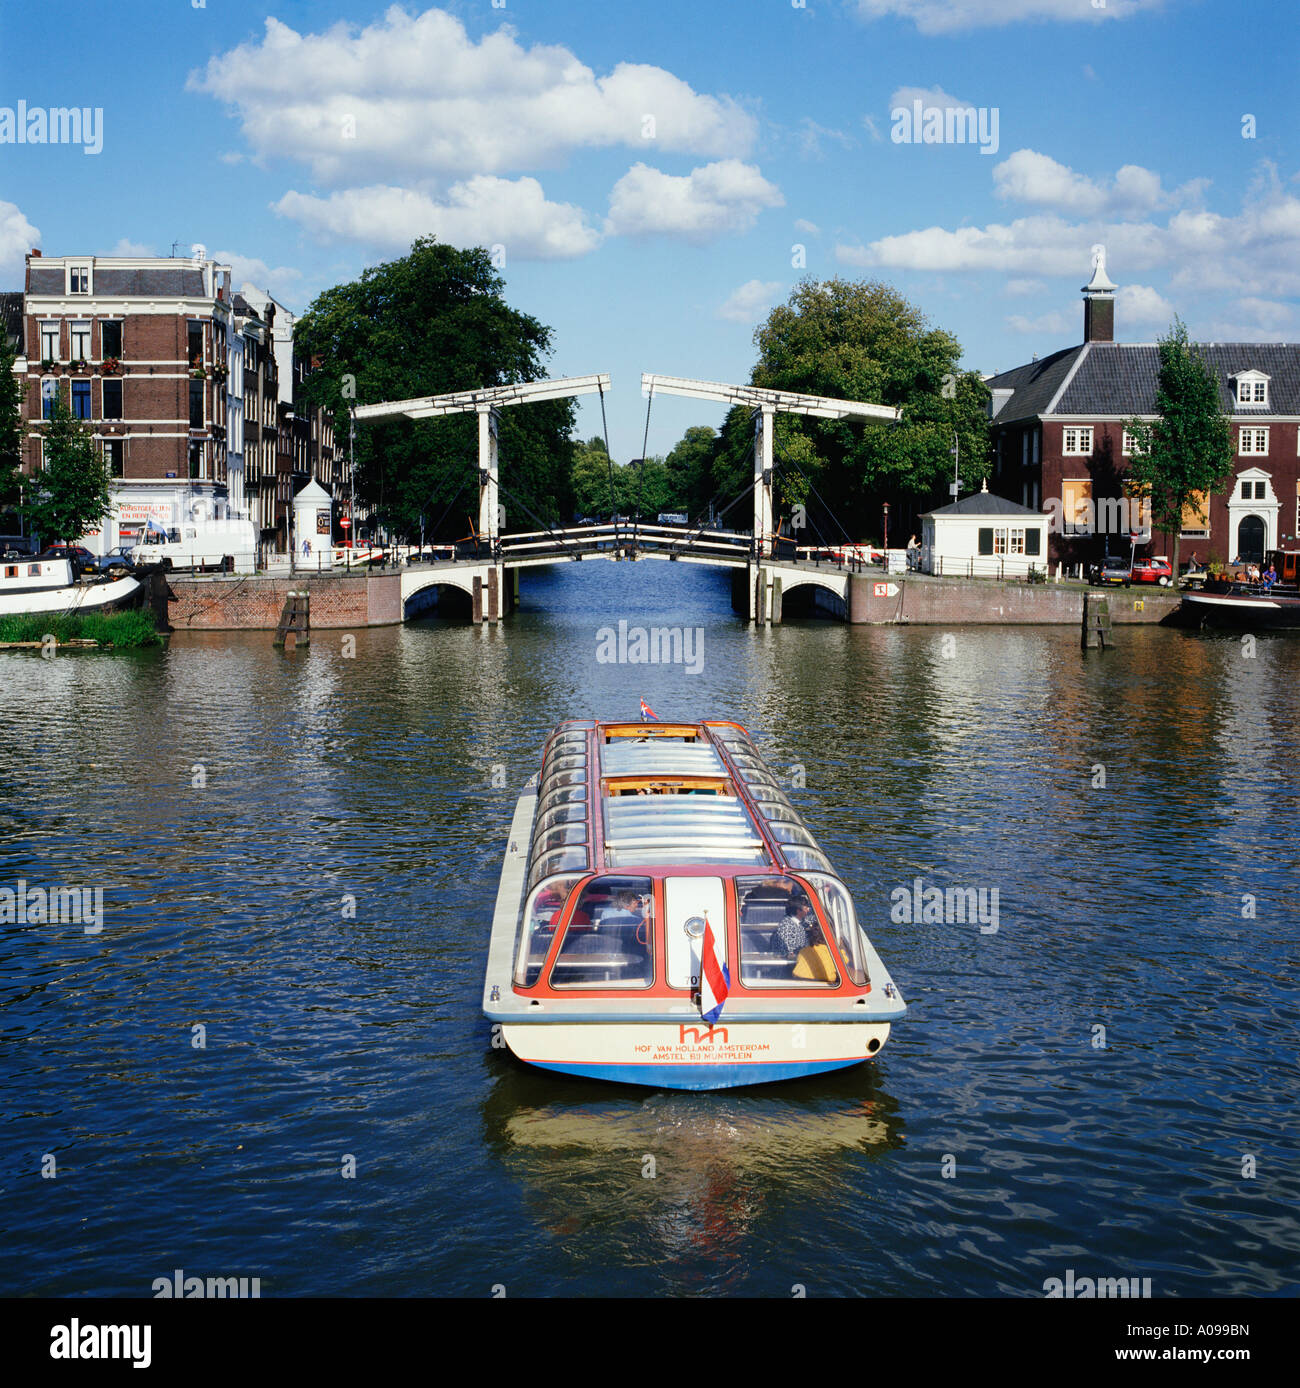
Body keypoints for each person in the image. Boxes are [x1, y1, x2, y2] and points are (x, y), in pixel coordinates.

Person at [774, 894, 819, 959]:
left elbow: (815, 918)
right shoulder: (785, 928)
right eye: (806, 908)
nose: (808, 910)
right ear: (798, 911)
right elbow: (788, 953)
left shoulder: (801, 919)